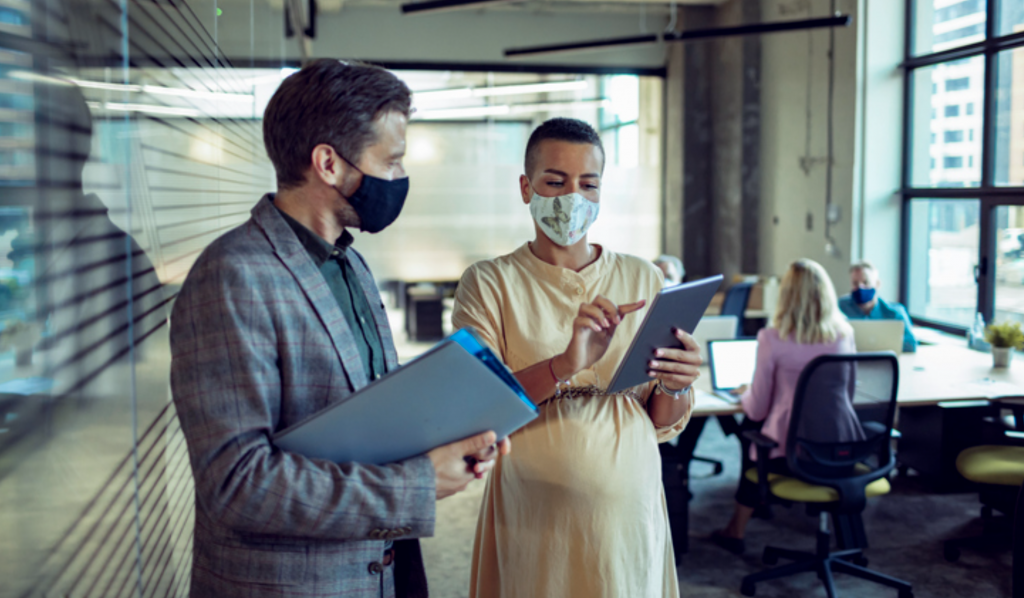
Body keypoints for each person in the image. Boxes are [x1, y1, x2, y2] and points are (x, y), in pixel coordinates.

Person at [170, 59, 505, 598]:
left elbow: (370, 417)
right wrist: (417, 484)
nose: (397, 180)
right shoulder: (232, 275)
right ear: (328, 162)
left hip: (379, 573)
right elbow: (237, 484)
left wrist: (450, 434)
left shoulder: (348, 263)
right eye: (390, 163)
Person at [452, 118, 700, 598]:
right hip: (533, 504)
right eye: (555, 182)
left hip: (630, 495)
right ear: (526, 187)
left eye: (589, 184)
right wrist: (564, 365)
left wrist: (676, 383)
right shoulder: (488, 283)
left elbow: (660, 420)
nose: (573, 198)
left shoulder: (642, 277)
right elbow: (478, 407)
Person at [711, 258, 859, 555]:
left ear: (786, 296)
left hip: (792, 453)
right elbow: (848, 394)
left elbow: (757, 408)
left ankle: (736, 528)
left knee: (752, 429)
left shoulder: (772, 338)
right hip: (841, 448)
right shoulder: (844, 334)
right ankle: (850, 539)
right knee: (757, 430)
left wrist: (745, 394)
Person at [838, 261, 917, 353]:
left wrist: (880, 345)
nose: (860, 287)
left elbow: (911, 344)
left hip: (884, 362)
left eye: (866, 282)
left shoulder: (895, 312)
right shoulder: (839, 307)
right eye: (855, 283)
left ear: (877, 284)